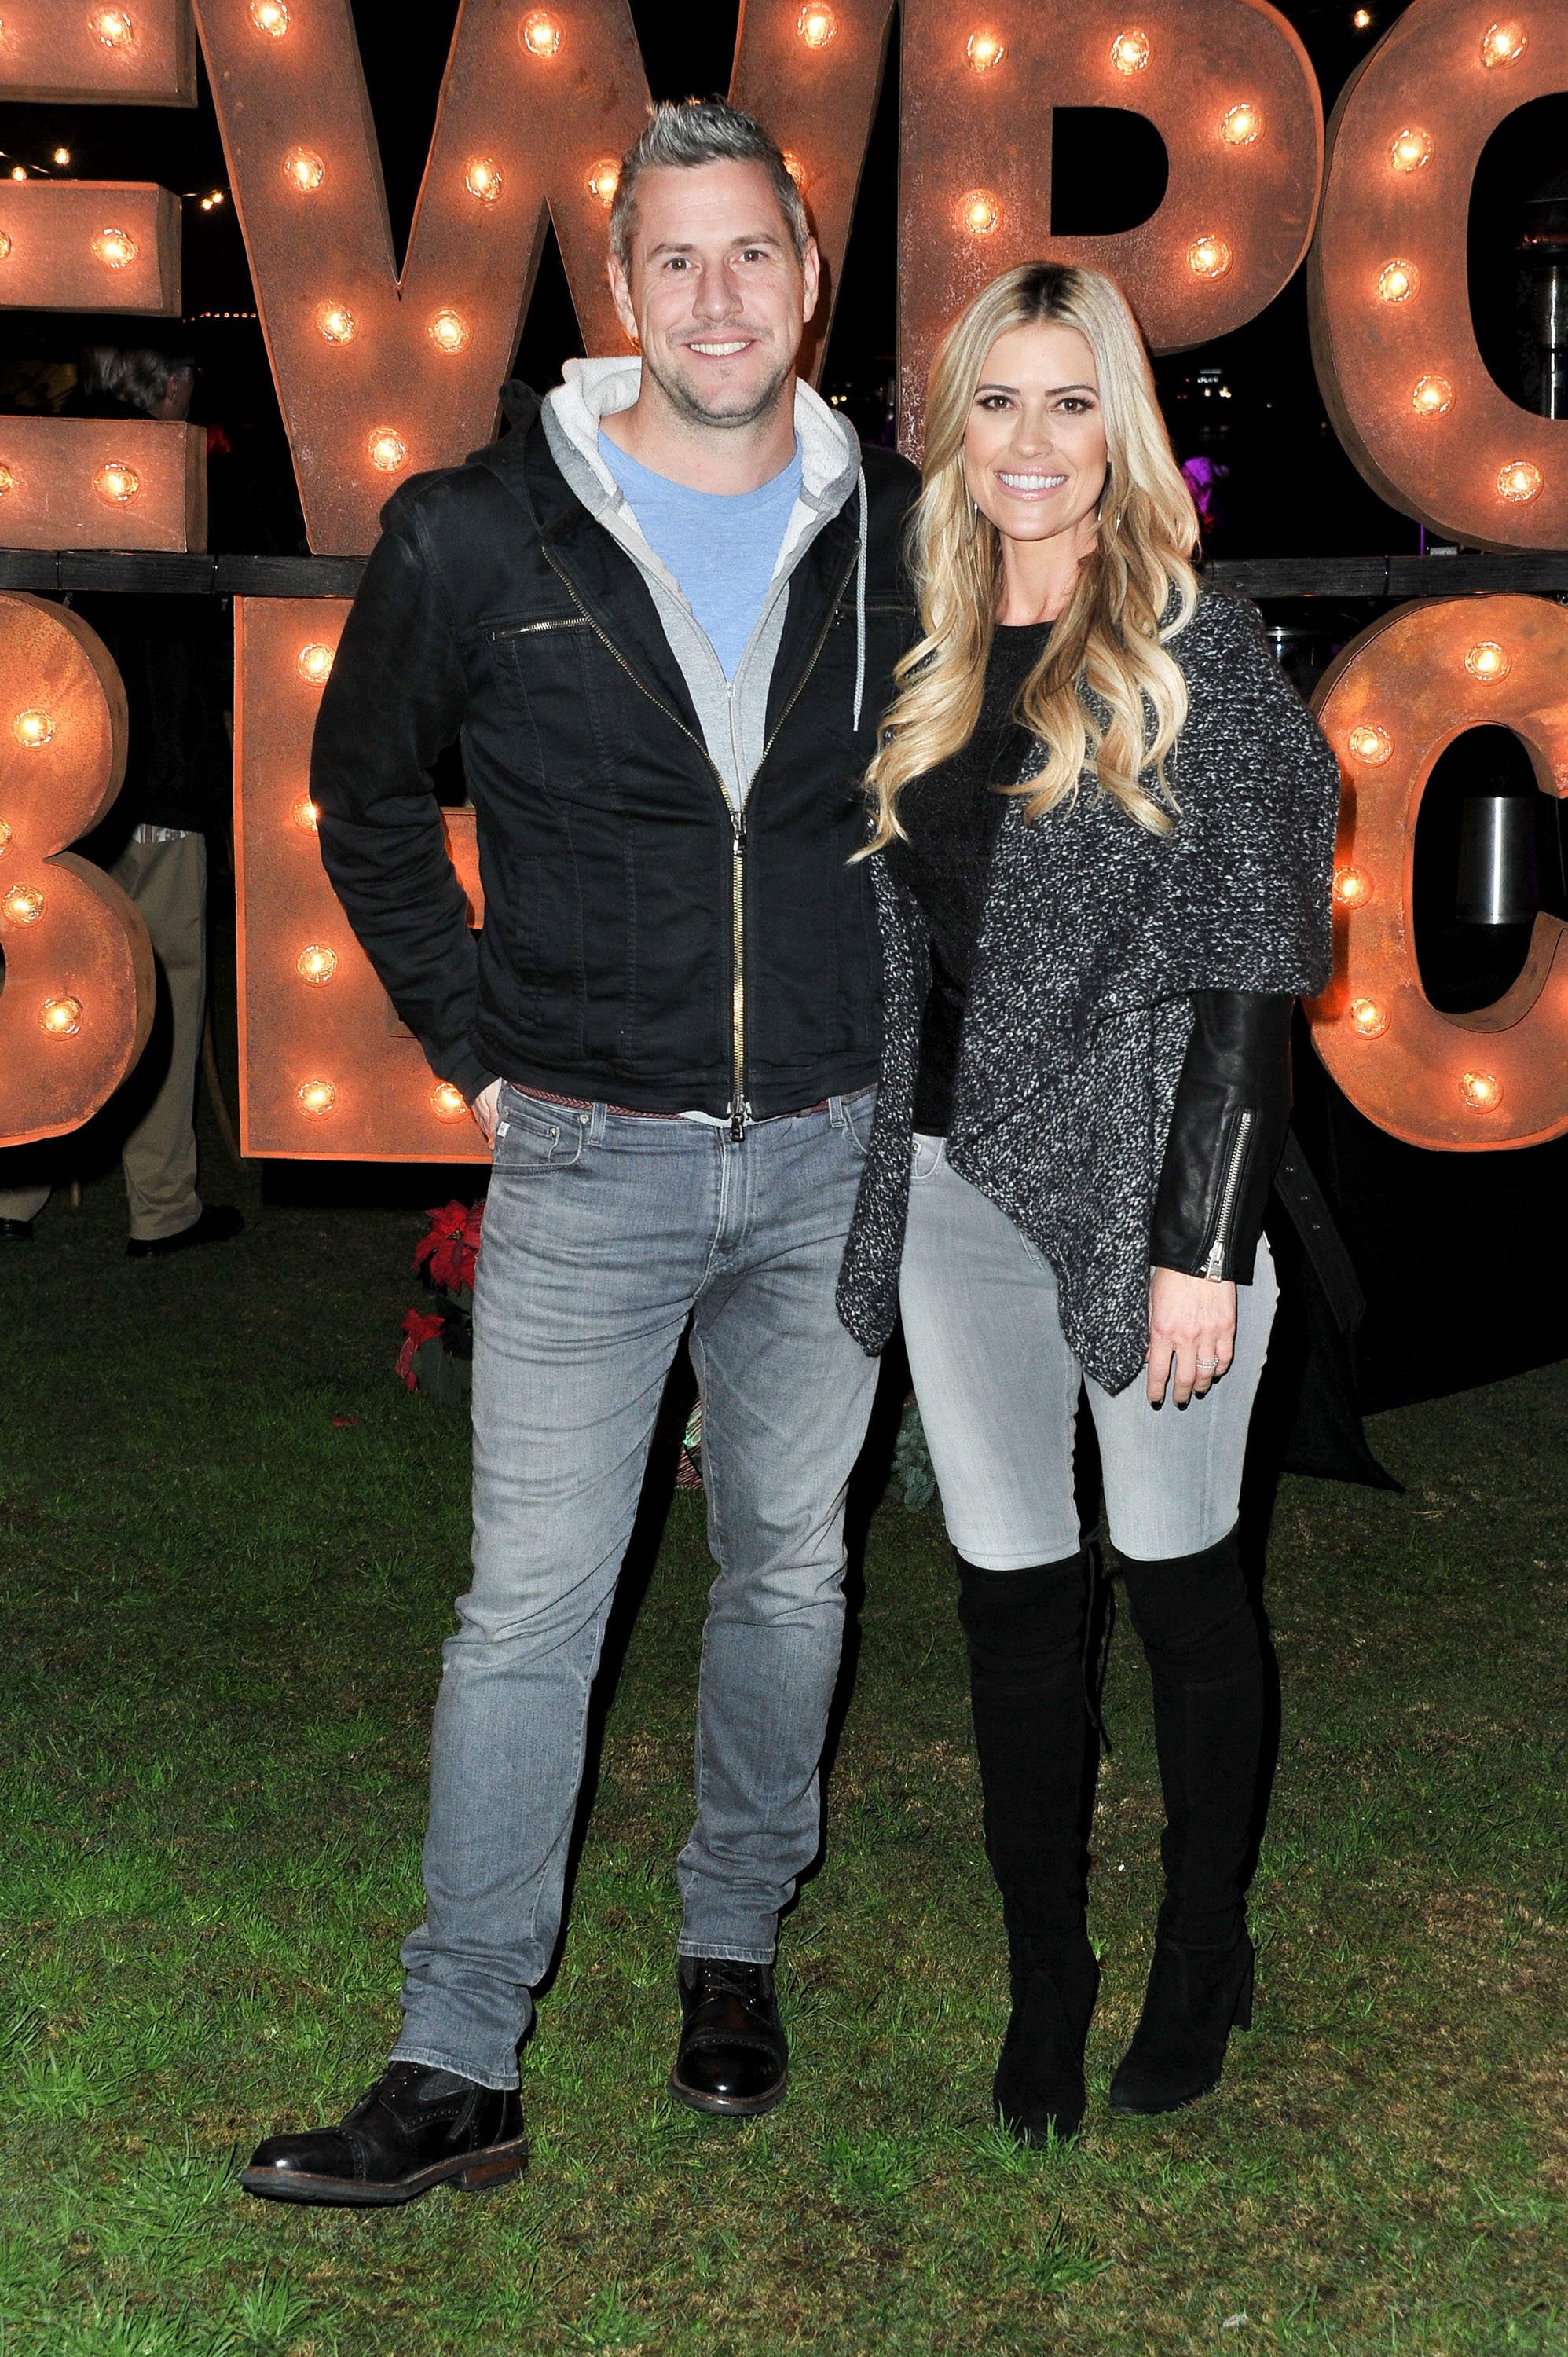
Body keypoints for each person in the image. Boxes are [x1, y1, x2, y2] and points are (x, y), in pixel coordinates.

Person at [240, 100, 918, 2209]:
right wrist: (475, 1044)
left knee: (790, 1577)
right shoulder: (470, 533)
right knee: (527, 1613)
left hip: (824, 1152)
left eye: (755, 259)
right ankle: (459, 2061)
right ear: (619, 290)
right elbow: (365, 802)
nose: (717, 299)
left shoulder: (903, 524)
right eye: (674, 261)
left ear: (810, 285)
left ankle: (732, 1945)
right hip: (585, 1165)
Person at [836, 262, 1339, 2145]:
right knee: (1011, 1595)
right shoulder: (925, 644)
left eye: (1068, 403)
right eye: (995, 402)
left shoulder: (1204, 653)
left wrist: (1201, 1238)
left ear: (1116, 429)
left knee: (1183, 1577)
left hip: (1150, 1187)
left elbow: (1253, 961)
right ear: (947, 428)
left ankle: (1202, 1944)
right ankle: (1047, 1974)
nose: (1030, 444)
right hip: (955, 1183)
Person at [0, 346, 242, 1259]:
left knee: (47, 982)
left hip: (47, 790)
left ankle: (17, 1185)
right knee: (165, 989)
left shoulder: (41, 465)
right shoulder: (167, 484)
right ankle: (163, 1203)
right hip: (153, 784)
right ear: (172, 382)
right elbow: (186, 661)